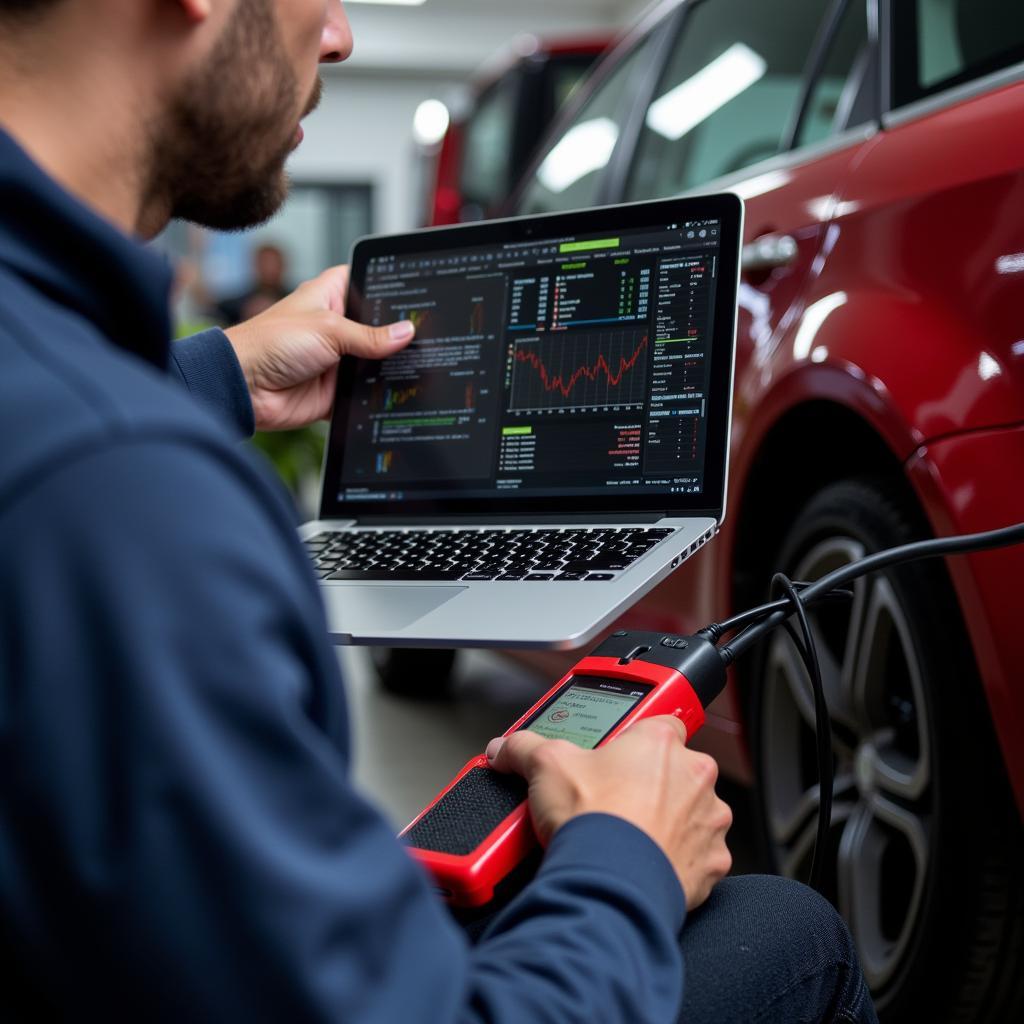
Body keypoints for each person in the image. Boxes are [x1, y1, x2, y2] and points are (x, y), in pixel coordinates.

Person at [0, 2, 877, 1021]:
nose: (336, 35)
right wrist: (624, 862)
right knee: (787, 930)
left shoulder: (65, 413)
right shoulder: (120, 500)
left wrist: (218, 372)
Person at [217, 242, 292, 325]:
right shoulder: (235, 305)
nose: (269, 268)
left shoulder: (295, 299)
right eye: (265, 262)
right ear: (255, 265)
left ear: (283, 265)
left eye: (273, 263)